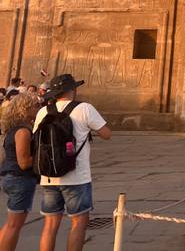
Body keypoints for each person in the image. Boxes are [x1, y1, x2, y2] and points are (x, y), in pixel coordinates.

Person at [33, 74, 111, 251]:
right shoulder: (84, 108)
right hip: (77, 177)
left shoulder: (43, 111)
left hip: (49, 176)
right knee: (78, 223)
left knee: (50, 225)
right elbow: (106, 134)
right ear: (72, 90)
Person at [0, 93, 39, 250]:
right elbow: (24, 162)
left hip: (12, 177)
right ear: (25, 109)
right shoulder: (23, 131)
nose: (38, 109)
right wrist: (43, 157)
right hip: (20, 179)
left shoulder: (14, 130)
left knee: (11, 224)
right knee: (14, 226)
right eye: (35, 106)